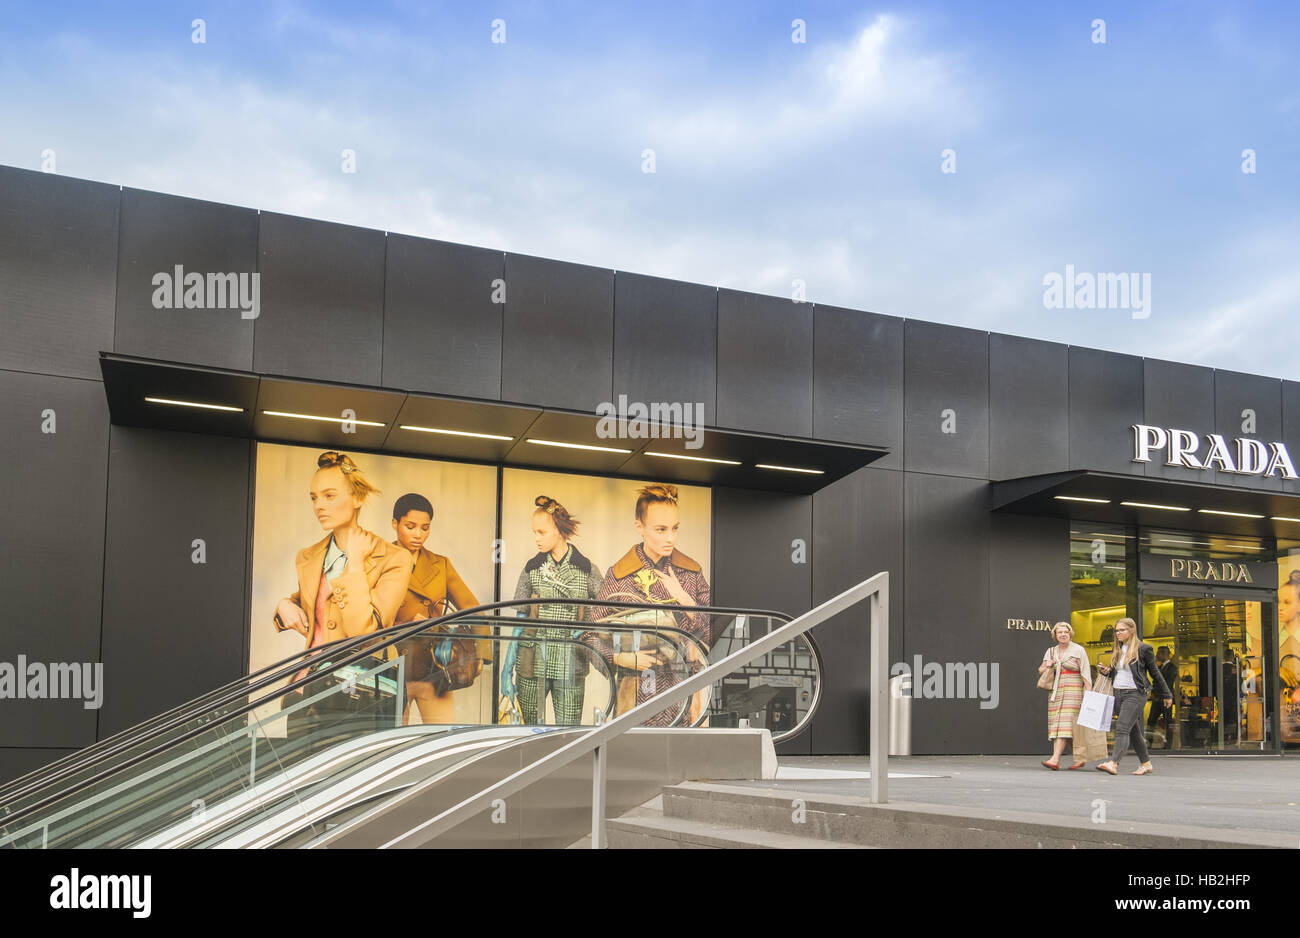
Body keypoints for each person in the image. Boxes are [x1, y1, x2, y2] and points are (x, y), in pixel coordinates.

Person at [272, 452, 411, 735]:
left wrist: (357, 564)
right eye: (314, 498)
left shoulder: (394, 558)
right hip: (306, 692)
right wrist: (284, 605)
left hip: (358, 698)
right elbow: (313, 605)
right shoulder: (310, 557)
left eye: (329, 495)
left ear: (358, 499)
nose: (319, 506)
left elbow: (366, 631)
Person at [586, 484, 712, 727]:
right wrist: (621, 658)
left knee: (682, 761)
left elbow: (713, 632)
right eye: (661, 529)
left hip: (684, 690)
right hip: (636, 692)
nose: (670, 537)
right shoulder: (620, 575)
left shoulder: (691, 572)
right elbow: (589, 634)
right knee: (637, 760)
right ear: (639, 527)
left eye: (675, 528)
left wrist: (686, 600)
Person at [500, 496, 605, 725]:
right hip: (532, 658)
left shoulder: (586, 569)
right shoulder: (532, 568)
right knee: (528, 732)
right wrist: (506, 671)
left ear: (559, 530)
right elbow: (519, 621)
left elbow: (606, 612)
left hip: (571, 658)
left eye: (541, 532)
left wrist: (587, 629)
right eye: (534, 532)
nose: (536, 539)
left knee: (568, 732)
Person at [389, 492, 490, 725]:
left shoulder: (440, 564)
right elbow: (363, 614)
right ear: (395, 524)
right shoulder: (377, 560)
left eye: (425, 528)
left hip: (433, 669)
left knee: (441, 739)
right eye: (410, 526)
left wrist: (480, 656)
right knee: (391, 746)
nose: (418, 534)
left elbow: (473, 609)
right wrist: (402, 625)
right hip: (392, 667)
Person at [1095, 617, 1173, 776]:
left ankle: (1113, 763)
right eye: (1116, 630)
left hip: (1135, 694)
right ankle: (1146, 764)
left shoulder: (1144, 649)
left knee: (1122, 728)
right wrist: (1108, 672)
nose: (1118, 633)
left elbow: (1155, 673)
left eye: (1121, 630)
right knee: (1134, 731)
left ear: (1131, 631)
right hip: (1118, 693)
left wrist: (1166, 694)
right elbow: (1119, 673)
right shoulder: (1118, 649)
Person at [1037, 622, 1092, 769]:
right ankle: (1080, 758)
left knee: (1064, 724)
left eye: (1065, 632)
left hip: (1074, 691)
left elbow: (1085, 672)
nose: (1063, 634)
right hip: (1056, 690)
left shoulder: (1078, 650)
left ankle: (1054, 760)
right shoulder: (1051, 651)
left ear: (1070, 634)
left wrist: (1089, 693)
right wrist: (1047, 665)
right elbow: (1041, 670)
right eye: (1060, 632)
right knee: (1060, 725)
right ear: (1055, 635)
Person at [1145, 645, 1177, 750]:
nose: (1157, 655)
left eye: (1158, 653)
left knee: (1167, 722)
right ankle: (1148, 743)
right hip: (1157, 699)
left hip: (1165, 699)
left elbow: (1166, 682)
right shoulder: (1159, 667)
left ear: (1165, 654)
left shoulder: (1172, 668)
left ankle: (1168, 745)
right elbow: (1155, 680)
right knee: (1151, 721)